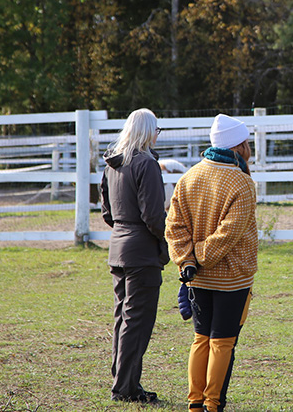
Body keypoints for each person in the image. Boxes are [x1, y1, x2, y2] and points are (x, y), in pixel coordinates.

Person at [165, 114, 258, 412]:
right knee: (222, 342)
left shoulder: (189, 176)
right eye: (248, 142)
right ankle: (213, 403)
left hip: (196, 276)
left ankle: (195, 402)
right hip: (232, 275)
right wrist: (201, 257)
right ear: (239, 146)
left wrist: (187, 259)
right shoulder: (242, 182)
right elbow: (230, 232)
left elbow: (174, 225)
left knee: (201, 338)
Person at [100, 108, 168, 403]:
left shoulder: (112, 166)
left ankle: (123, 380)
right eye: (156, 130)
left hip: (118, 249)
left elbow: (107, 213)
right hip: (141, 253)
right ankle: (126, 388)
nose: (157, 136)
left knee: (122, 318)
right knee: (137, 322)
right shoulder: (147, 164)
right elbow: (153, 216)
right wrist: (166, 240)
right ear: (149, 132)